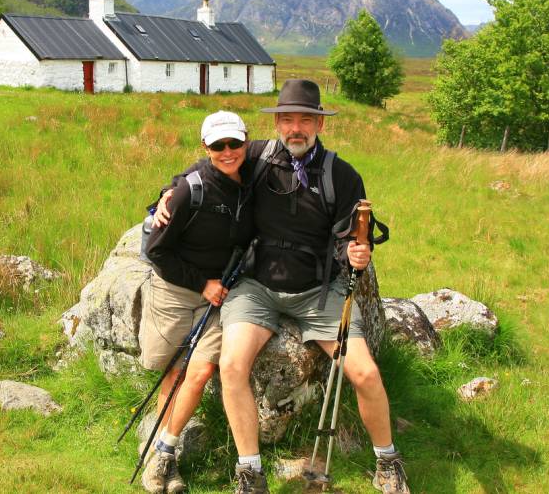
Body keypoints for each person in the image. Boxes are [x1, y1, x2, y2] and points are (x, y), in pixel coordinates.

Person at [156, 80, 408, 494]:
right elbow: (213, 163)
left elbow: (349, 237)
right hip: (256, 288)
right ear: (275, 122)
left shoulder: (341, 176)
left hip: (317, 292)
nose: (295, 128)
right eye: (287, 119)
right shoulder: (256, 156)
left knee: (363, 372)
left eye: (305, 120)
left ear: (319, 125)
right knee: (232, 366)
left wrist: (356, 256)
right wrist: (173, 187)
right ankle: (250, 472)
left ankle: (387, 461)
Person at [139, 110, 255, 494]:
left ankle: (163, 457)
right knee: (169, 370)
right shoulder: (190, 190)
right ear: (205, 147)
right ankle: (160, 457)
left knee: (201, 371)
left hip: (220, 296)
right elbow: (157, 252)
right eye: (218, 145)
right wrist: (201, 283)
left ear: (246, 142)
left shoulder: (254, 175)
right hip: (177, 287)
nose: (228, 151)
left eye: (234, 143)